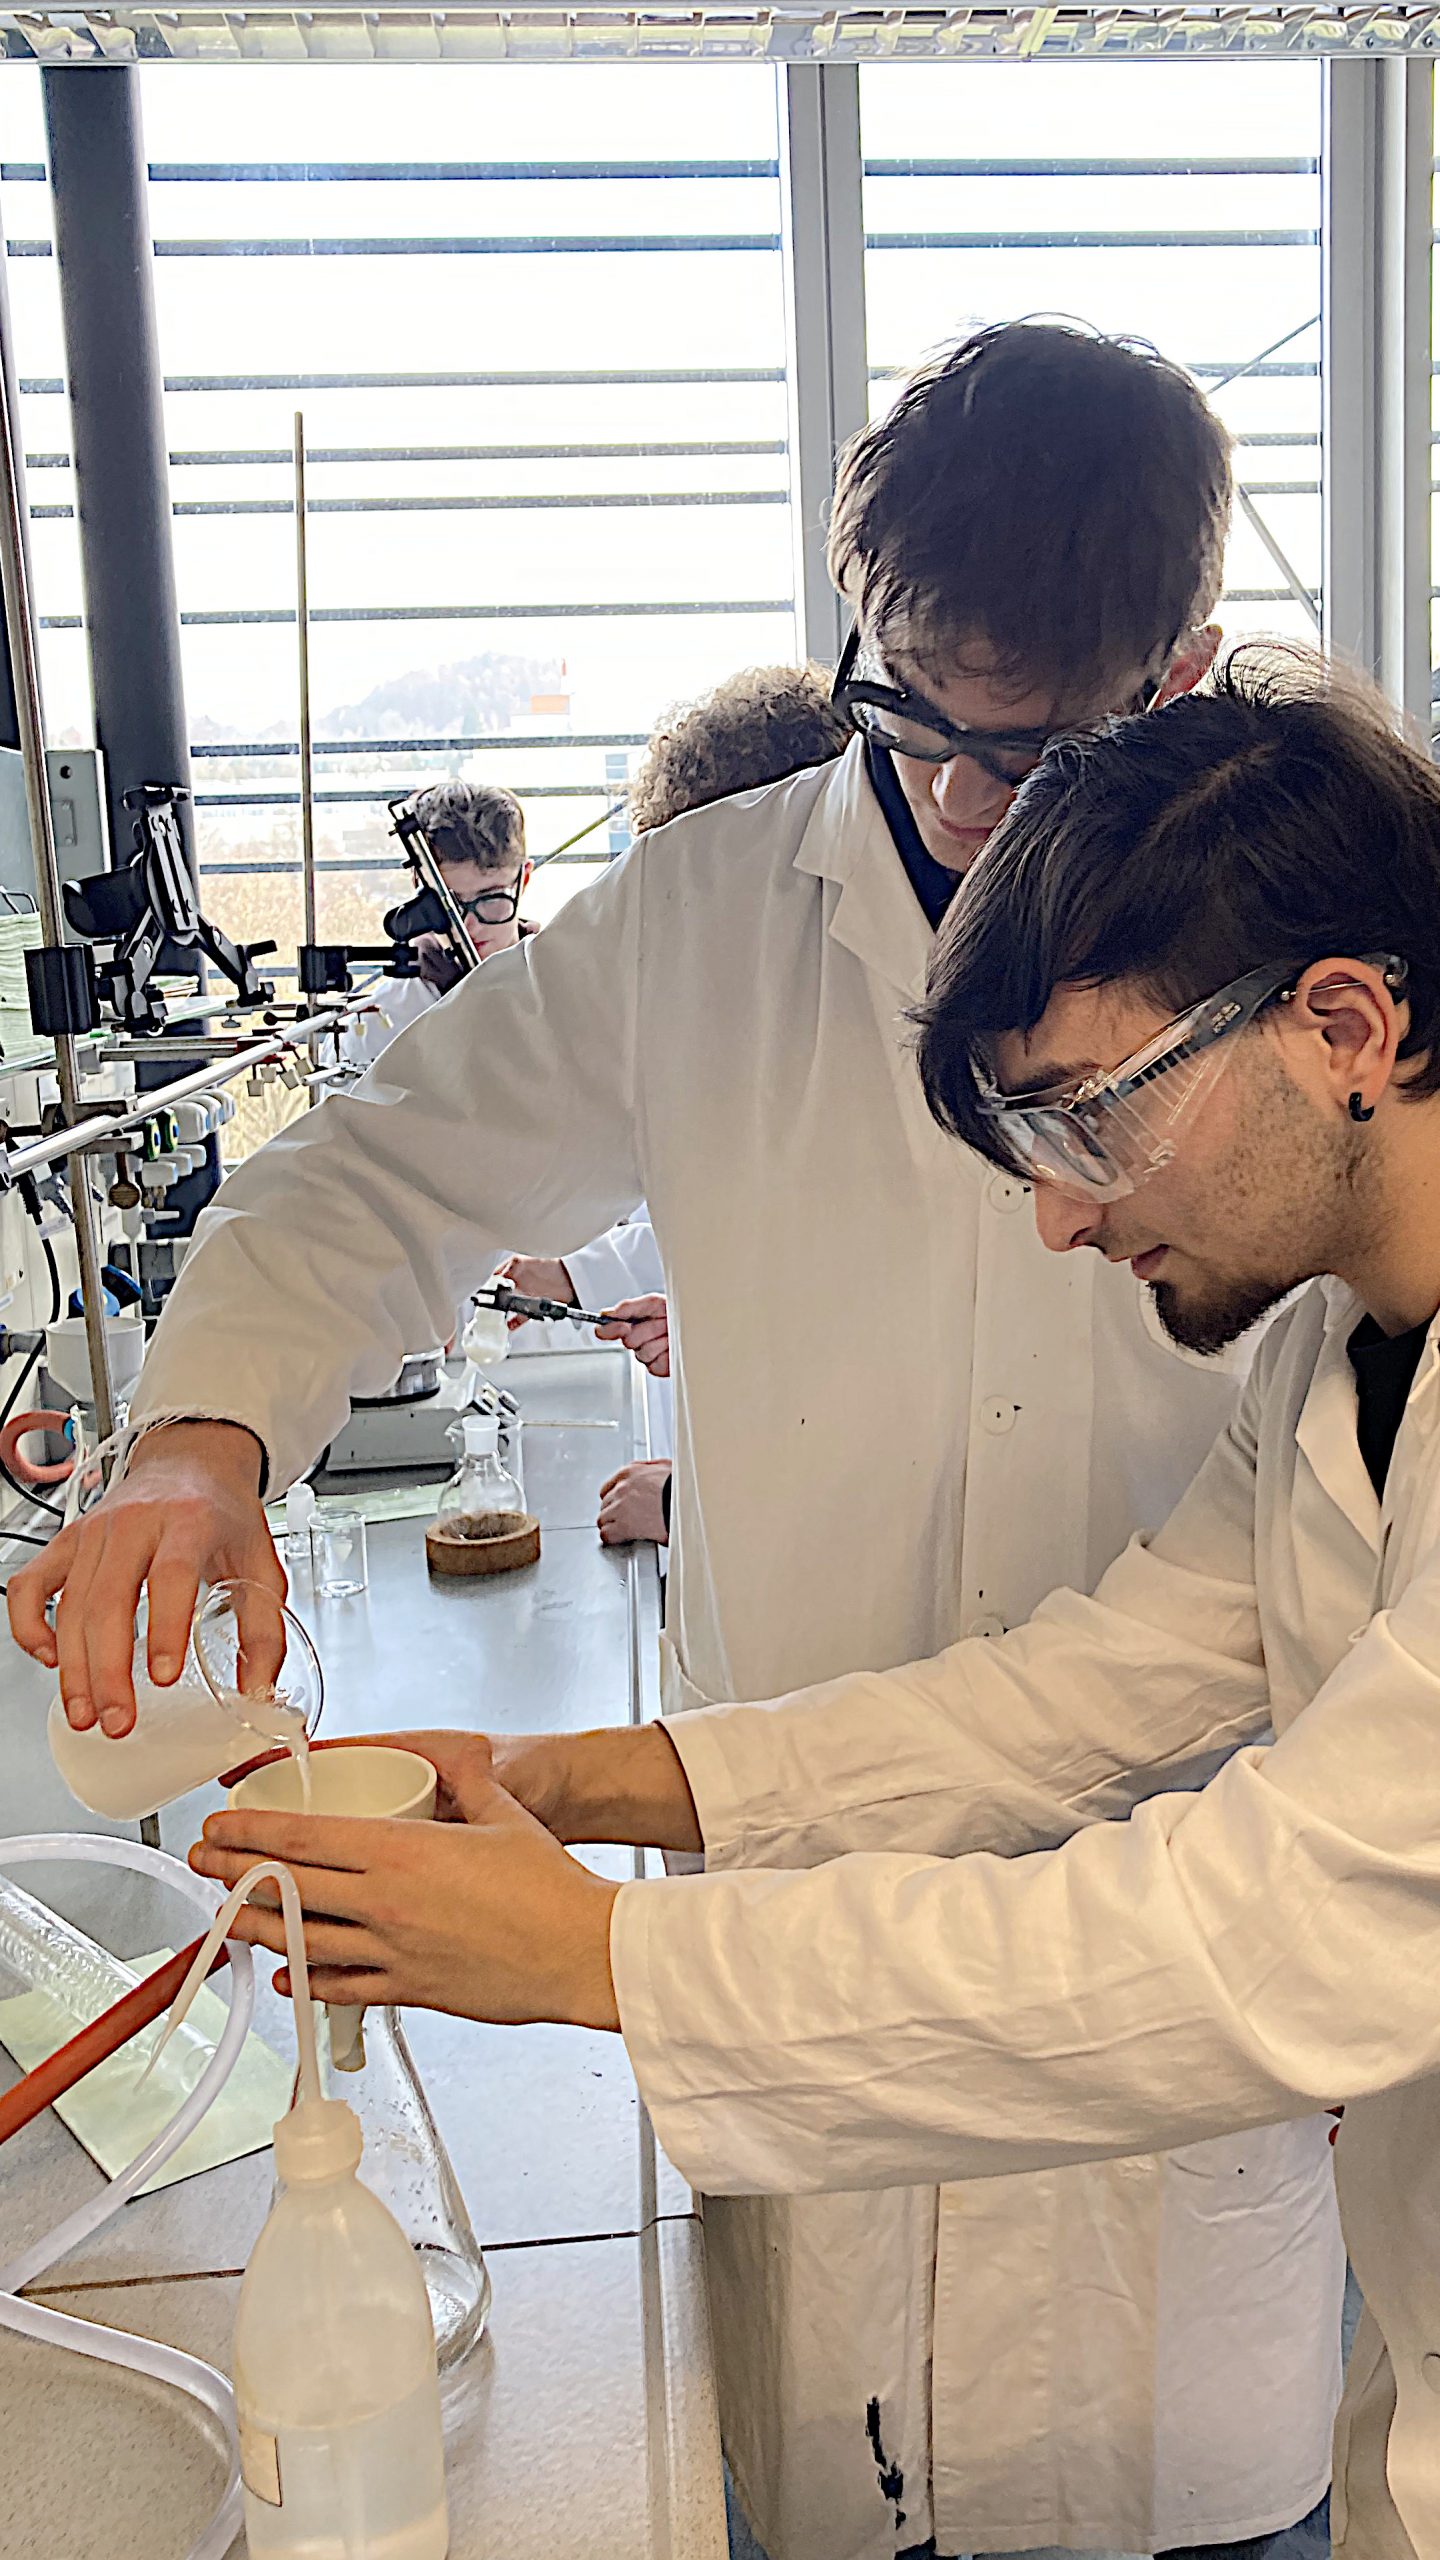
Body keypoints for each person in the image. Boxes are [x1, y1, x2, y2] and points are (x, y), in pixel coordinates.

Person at [13, 326, 1340, 2560]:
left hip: (1182, 1942)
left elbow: (1206, 1643)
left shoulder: (1297, 975)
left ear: (1187, 678)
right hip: (805, 1938)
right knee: (814, 2478)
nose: (960, 800)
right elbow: (383, 1172)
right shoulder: (710, 918)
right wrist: (198, 1439)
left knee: (1204, 2499)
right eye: (910, 713)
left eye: (1038, 748)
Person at [192, 643, 1440, 2560]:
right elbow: (1082, 1692)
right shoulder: (1327, 1355)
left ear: (1343, 1025)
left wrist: (600, 1960)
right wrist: (580, 1784)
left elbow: (1272, 1928)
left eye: (1090, 1119)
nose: (1059, 1213)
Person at [500, 663, 850, 1551]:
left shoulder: (895, 1036)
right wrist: (691, 1322)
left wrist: (688, 1503)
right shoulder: (763, 1011)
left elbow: (901, 1381)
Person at [339, 778, 533, 1073]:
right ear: (418, 884)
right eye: (449, 903)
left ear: (524, 879)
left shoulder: (567, 987)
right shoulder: (377, 1026)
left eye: (491, 898)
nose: (468, 925)